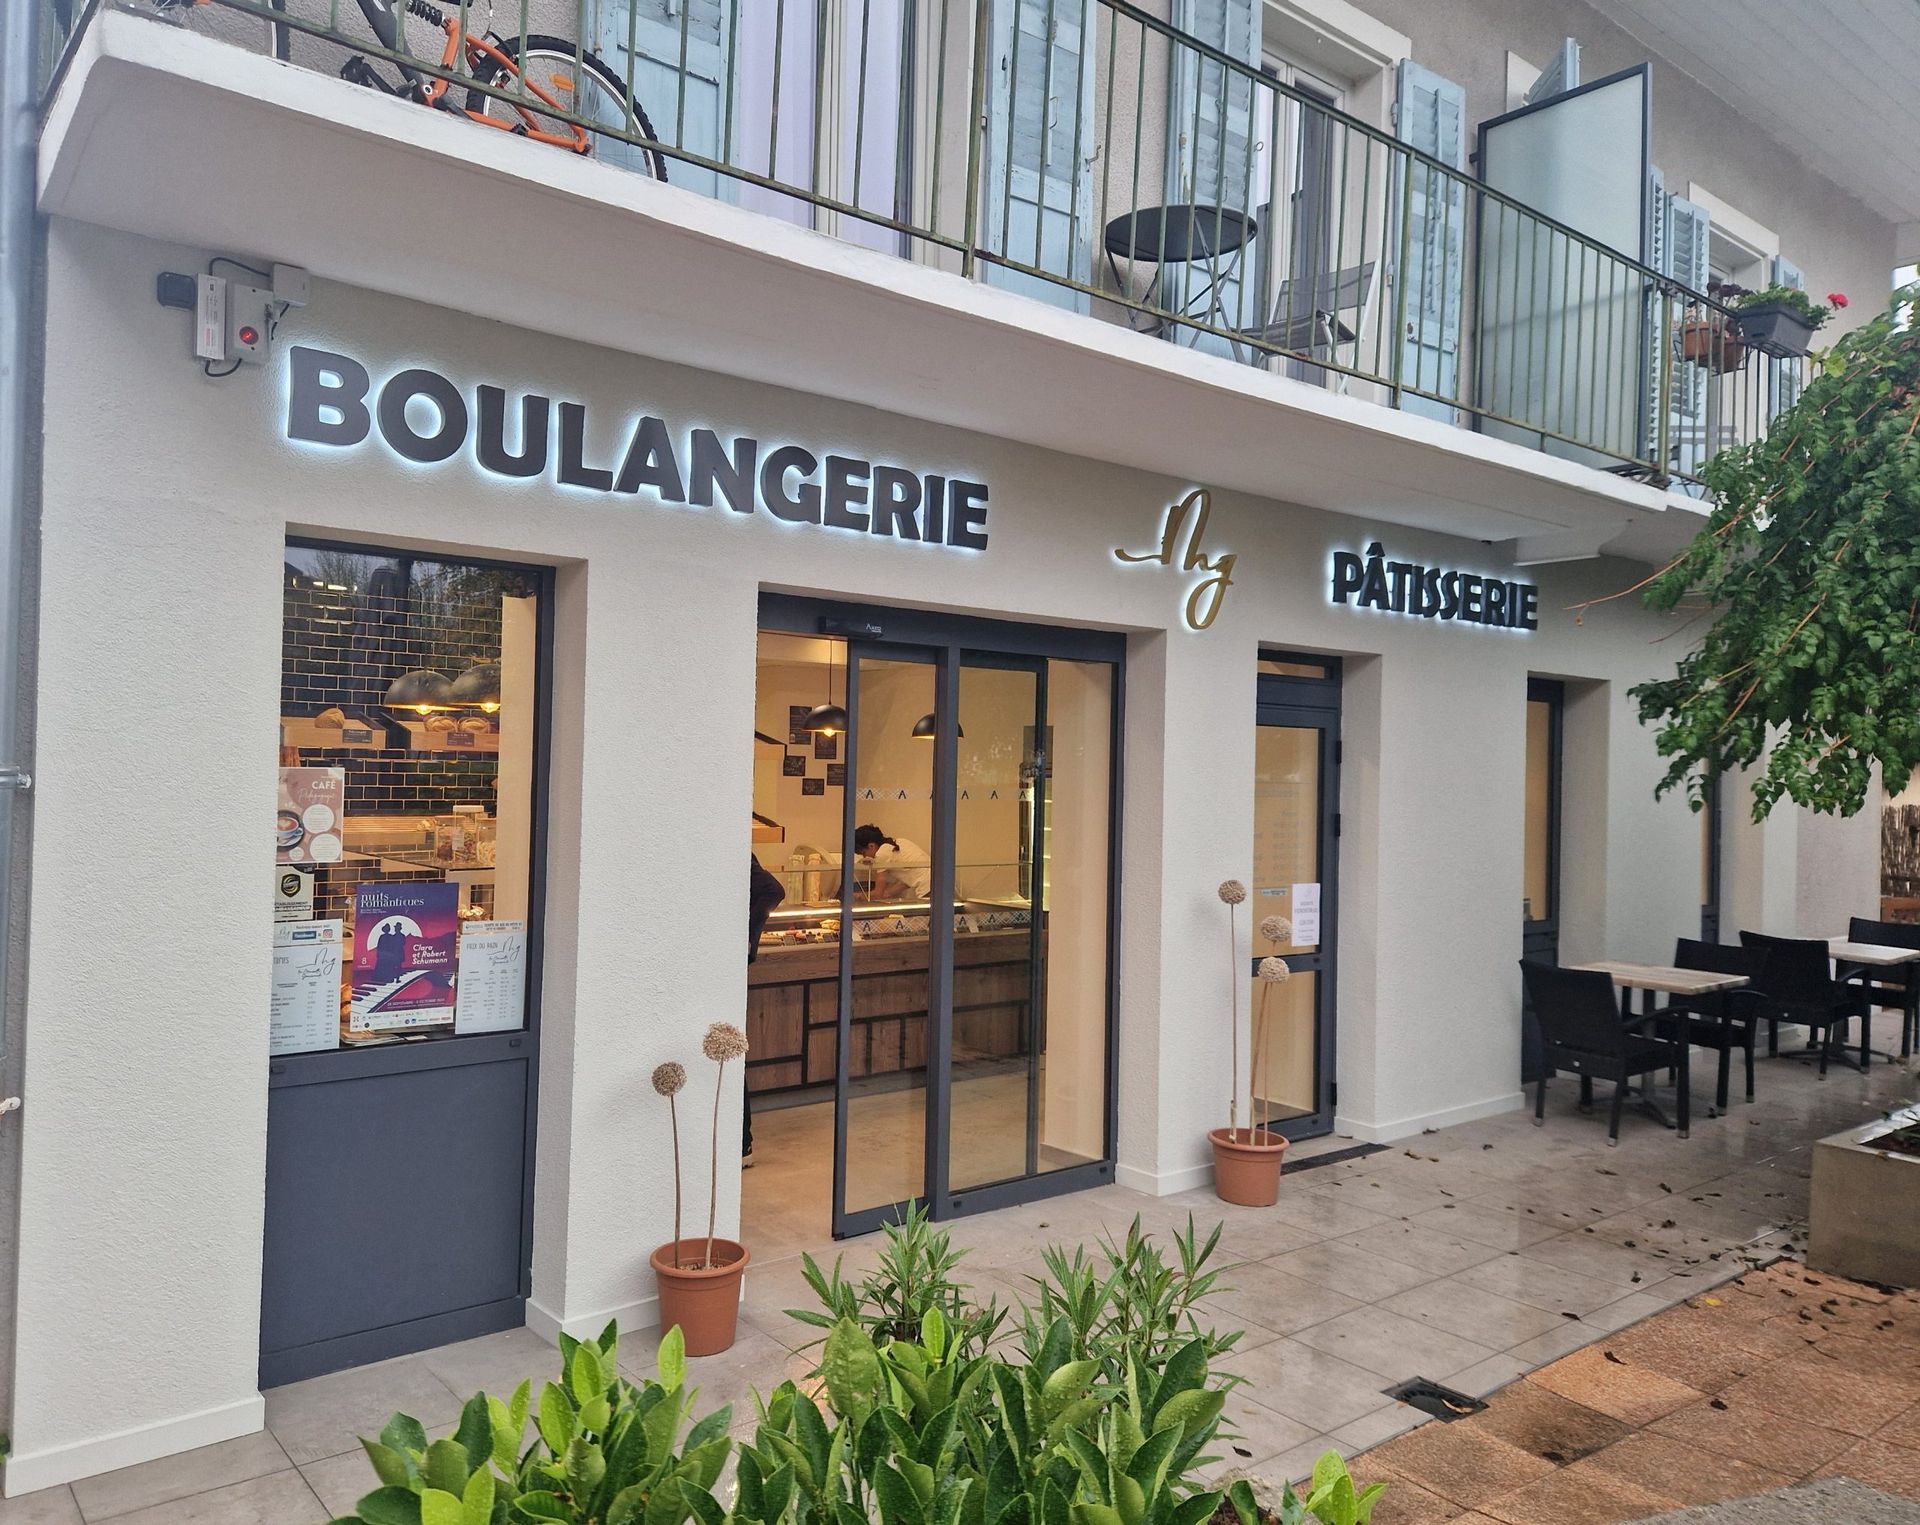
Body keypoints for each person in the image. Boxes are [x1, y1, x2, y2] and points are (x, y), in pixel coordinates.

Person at [743, 854, 785, 1167]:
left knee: (730, 1055)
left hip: (727, 959)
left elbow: (773, 890)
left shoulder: (736, 846)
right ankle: (741, 1142)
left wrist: (747, 936)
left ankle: (742, 1143)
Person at [853, 824, 933, 901]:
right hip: (937, 884)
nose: (865, 857)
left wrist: (858, 896)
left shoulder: (881, 854)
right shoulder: (901, 842)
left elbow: (878, 894)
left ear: (871, 846)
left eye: (863, 853)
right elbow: (905, 882)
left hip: (926, 890)